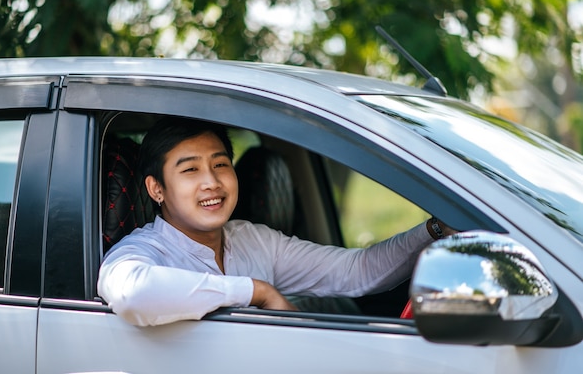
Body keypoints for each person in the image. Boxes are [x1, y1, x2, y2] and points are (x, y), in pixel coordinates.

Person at [97, 117, 456, 326]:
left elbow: (357, 271)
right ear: (156, 188)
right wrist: (258, 291)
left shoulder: (252, 240)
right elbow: (134, 295)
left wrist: (435, 229)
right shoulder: (141, 251)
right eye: (190, 169)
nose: (212, 182)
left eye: (220, 164)